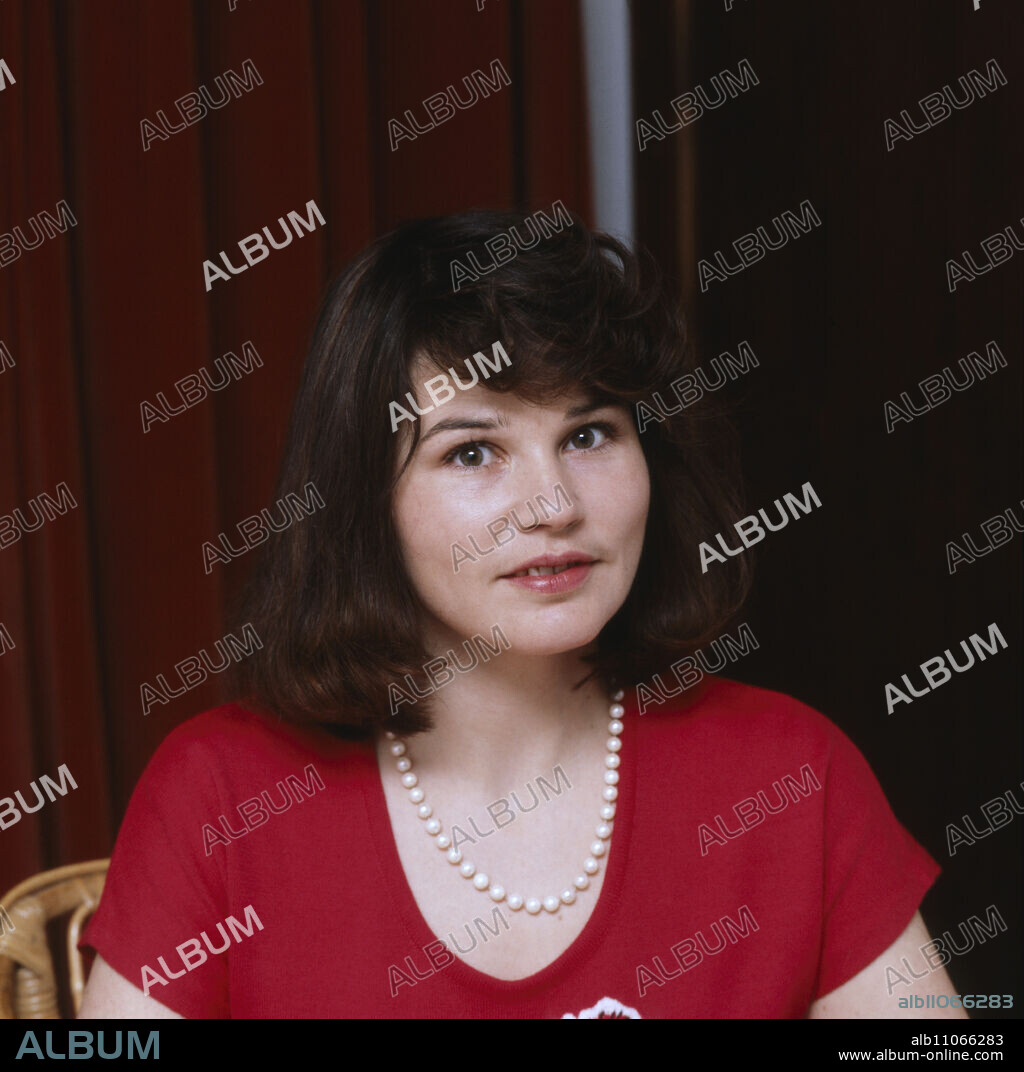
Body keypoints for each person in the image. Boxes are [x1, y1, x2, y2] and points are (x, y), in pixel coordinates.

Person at [79, 209, 964, 1019]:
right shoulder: (221, 796)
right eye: (473, 452)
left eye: (589, 435)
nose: (551, 504)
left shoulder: (791, 776)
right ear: (360, 501)